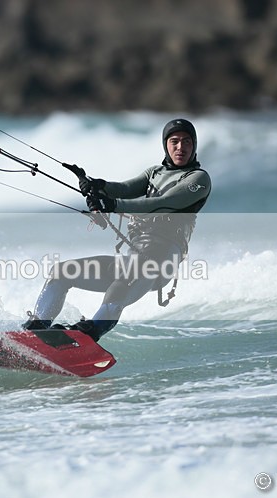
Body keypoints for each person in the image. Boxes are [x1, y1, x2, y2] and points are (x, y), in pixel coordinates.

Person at [22, 118, 211, 341]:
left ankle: (88, 334)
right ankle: (35, 331)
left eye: (187, 141)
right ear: (166, 145)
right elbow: (125, 188)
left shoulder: (198, 179)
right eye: (174, 141)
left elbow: (163, 203)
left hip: (161, 260)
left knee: (122, 283)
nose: (180, 147)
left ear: (194, 145)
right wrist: (97, 185)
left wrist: (113, 205)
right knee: (62, 272)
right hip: (134, 258)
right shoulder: (154, 173)